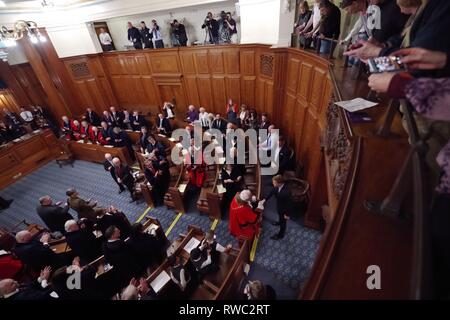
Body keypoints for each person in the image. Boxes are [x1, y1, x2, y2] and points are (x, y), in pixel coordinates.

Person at [263, 175, 293, 240]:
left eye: (274, 182)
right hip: (279, 206)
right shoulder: (277, 187)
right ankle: (279, 222)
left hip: (284, 210)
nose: (273, 184)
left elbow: (289, 204)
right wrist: (265, 199)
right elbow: (272, 192)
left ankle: (280, 235)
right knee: (280, 217)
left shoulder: (286, 192)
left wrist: (287, 214)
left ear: (279, 183)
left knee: (283, 223)